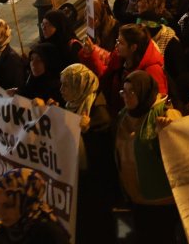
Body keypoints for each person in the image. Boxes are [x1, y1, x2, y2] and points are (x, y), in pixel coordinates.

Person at [115, 70, 183, 243]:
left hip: (160, 204)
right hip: (135, 201)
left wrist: (169, 129)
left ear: (144, 92)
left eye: (132, 92)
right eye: (124, 91)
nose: (127, 96)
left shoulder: (164, 113)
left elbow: (180, 142)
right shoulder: (123, 116)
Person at [59, 63, 116, 242]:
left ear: (79, 85)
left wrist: (87, 132)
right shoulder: (73, 104)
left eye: (66, 84)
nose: (61, 89)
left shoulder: (99, 114)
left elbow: (102, 157)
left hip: (94, 191)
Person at [0, 167, 69, 244]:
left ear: (26, 202)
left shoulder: (49, 234)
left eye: (8, 205)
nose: (0, 213)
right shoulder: (6, 232)